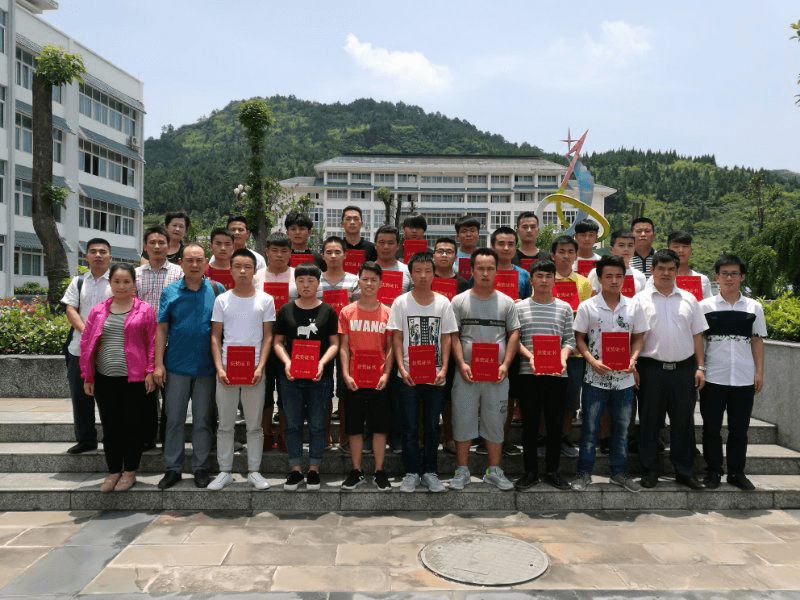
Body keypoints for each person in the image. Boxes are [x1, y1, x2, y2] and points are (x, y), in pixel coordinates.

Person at [630, 249, 708, 489]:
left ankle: (684, 471)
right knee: (650, 422)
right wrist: (633, 365)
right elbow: (633, 336)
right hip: (650, 369)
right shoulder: (639, 300)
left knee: (683, 422)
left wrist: (700, 367)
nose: (666, 273)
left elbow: (697, 335)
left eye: (671, 269)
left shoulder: (689, 299)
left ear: (677, 271)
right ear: (652, 270)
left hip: (684, 370)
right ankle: (650, 470)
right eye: (661, 268)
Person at [571, 256, 647, 493]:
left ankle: (619, 473)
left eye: (619, 276)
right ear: (600, 278)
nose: (614, 281)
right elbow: (579, 338)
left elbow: (639, 338)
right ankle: (583, 474)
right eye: (609, 276)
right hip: (595, 379)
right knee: (590, 429)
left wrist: (633, 360)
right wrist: (592, 361)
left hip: (624, 381)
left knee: (622, 430)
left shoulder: (634, 306)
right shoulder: (588, 307)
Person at [80, 263, 156, 492]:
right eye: (117, 281)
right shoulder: (98, 311)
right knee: (110, 427)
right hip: (105, 379)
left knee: (133, 426)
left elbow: (152, 343)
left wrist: (150, 371)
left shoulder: (144, 310)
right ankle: (114, 470)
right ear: (110, 283)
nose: (121, 286)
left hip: (134, 379)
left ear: (134, 284)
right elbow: (87, 344)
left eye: (126, 282)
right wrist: (88, 376)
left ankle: (130, 471)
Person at [449, 248, 520, 491]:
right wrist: (461, 363)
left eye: (490, 268)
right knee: (463, 419)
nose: (485, 273)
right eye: (480, 268)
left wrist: (505, 364)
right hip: (466, 374)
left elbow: (514, 334)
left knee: (495, 421)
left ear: (497, 271)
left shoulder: (507, 302)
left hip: (496, 375)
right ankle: (462, 470)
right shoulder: (459, 301)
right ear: (471, 270)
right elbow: (453, 335)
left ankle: (494, 470)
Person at [154, 243, 224, 490]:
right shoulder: (170, 291)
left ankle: (200, 467)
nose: (194, 265)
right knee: (173, 419)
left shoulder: (217, 289)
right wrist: (158, 364)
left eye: (199, 260)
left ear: (205, 262)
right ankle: (173, 468)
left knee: (203, 419)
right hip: (176, 366)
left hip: (207, 368)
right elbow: (162, 329)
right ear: (181, 263)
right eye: (189, 260)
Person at [387, 252, 458, 493]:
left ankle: (430, 471)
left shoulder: (443, 303)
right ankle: (411, 472)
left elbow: (447, 337)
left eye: (428, 270)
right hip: (408, 375)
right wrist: (401, 367)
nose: (423, 275)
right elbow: (397, 337)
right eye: (418, 271)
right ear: (410, 274)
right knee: (409, 426)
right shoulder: (401, 302)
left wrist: (444, 368)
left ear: (434, 273)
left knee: (431, 426)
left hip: (435, 376)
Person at [209, 248, 275, 490]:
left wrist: (260, 367)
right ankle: (224, 471)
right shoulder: (222, 300)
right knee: (225, 424)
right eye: (238, 266)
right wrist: (219, 368)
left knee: (254, 425)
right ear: (231, 269)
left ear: (255, 270)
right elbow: (215, 336)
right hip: (227, 369)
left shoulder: (265, 300)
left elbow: (268, 337)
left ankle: (254, 471)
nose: (243, 271)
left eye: (248, 267)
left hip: (254, 370)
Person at [699, 254, 766, 491]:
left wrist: (759, 372)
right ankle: (713, 471)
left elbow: (757, 340)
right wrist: (700, 369)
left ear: (742, 277)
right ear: (716, 277)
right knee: (711, 428)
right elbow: (699, 341)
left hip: (743, 377)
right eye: (725, 273)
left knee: (739, 429)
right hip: (713, 377)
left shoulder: (754, 307)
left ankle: (737, 473)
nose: (729, 278)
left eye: (734, 274)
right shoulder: (705, 306)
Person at [273, 263, 339, 490]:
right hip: (291, 378)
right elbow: (278, 342)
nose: (306, 285)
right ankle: (295, 469)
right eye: (301, 280)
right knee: (292, 424)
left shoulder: (328, 311)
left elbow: (334, 344)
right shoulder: (285, 310)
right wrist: (287, 362)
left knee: (318, 425)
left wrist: (321, 363)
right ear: (295, 283)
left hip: (320, 378)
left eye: (311, 280)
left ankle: (313, 469)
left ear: (319, 283)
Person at [514, 260, 575, 491]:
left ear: (554, 280)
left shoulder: (564, 308)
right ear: (531, 280)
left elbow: (569, 340)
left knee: (554, 425)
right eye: (539, 276)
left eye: (549, 276)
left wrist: (563, 357)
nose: (544, 280)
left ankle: (552, 471)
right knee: (529, 426)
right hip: (528, 373)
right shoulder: (519, 308)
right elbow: (515, 340)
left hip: (557, 374)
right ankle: (530, 472)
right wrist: (530, 356)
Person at [338, 262, 394, 491]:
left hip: (379, 379)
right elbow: (343, 347)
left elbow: (391, 347)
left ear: (381, 283)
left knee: (380, 428)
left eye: (373, 280)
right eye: (365, 279)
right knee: (354, 428)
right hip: (355, 379)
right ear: (358, 281)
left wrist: (387, 373)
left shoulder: (388, 313)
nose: (369, 283)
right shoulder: (347, 312)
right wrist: (345, 374)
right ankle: (356, 470)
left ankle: (379, 471)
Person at [61, 237, 113, 454]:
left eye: (102, 251)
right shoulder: (78, 282)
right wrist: (89, 333)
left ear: (110, 257)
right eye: (93, 251)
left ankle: (112, 440)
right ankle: (86, 439)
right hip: (80, 349)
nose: (98, 255)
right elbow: (70, 309)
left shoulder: (117, 281)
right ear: (86, 257)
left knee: (109, 398)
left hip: (109, 349)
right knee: (80, 396)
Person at [135, 225, 183, 450]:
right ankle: (147, 438)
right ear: (145, 246)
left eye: (161, 242)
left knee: (170, 394)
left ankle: (167, 438)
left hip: (172, 342)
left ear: (169, 246)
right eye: (152, 243)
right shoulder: (135, 275)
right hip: (142, 343)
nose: (156, 246)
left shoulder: (179, 273)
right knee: (146, 392)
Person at [254, 232, 297, 452]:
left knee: (287, 389)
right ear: (266, 251)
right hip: (262, 340)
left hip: (291, 342)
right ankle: (266, 432)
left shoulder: (298, 276)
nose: (279, 255)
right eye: (274, 250)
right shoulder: (256, 277)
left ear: (290, 252)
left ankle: (284, 433)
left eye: (284, 251)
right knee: (264, 388)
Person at [551, 235, 592, 458]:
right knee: (546, 395)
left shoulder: (584, 283)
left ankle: (565, 437)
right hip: (547, 347)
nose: (566, 256)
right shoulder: (545, 278)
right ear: (553, 255)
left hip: (575, 351)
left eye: (570, 252)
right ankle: (544, 436)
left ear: (576, 255)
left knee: (570, 398)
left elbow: (588, 315)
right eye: (561, 251)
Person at [317, 236, 360, 452]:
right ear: (322, 255)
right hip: (321, 342)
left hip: (347, 341)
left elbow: (358, 309)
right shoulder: (315, 280)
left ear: (345, 255)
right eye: (329, 252)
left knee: (345, 390)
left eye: (337, 252)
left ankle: (344, 437)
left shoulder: (354, 281)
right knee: (323, 388)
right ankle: (325, 436)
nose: (333, 256)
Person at [432, 236, 470, 454]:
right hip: (428, 341)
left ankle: (448, 437)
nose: (444, 255)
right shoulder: (426, 278)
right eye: (440, 251)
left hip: (454, 341)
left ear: (455, 257)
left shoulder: (462, 283)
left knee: (449, 395)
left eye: (448, 251)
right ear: (434, 255)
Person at [586, 229, 647, 295]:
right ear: (611, 249)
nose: (626, 249)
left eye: (630, 245)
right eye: (621, 245)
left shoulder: (640, 276)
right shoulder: (597, 273)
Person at [665, 230, 713, 299]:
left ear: (691, 251)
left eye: (685, 246)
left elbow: (708, 304)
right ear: (668, 250)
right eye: (676, 247)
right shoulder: (659, 278)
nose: (681, 250)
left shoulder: (702, 279)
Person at [374, 225, 412, 293]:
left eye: (390, 243)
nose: (386, 247)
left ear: (398, 246)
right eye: (382, 242)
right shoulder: (365, 271)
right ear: (375, 245)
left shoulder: (407, 271)